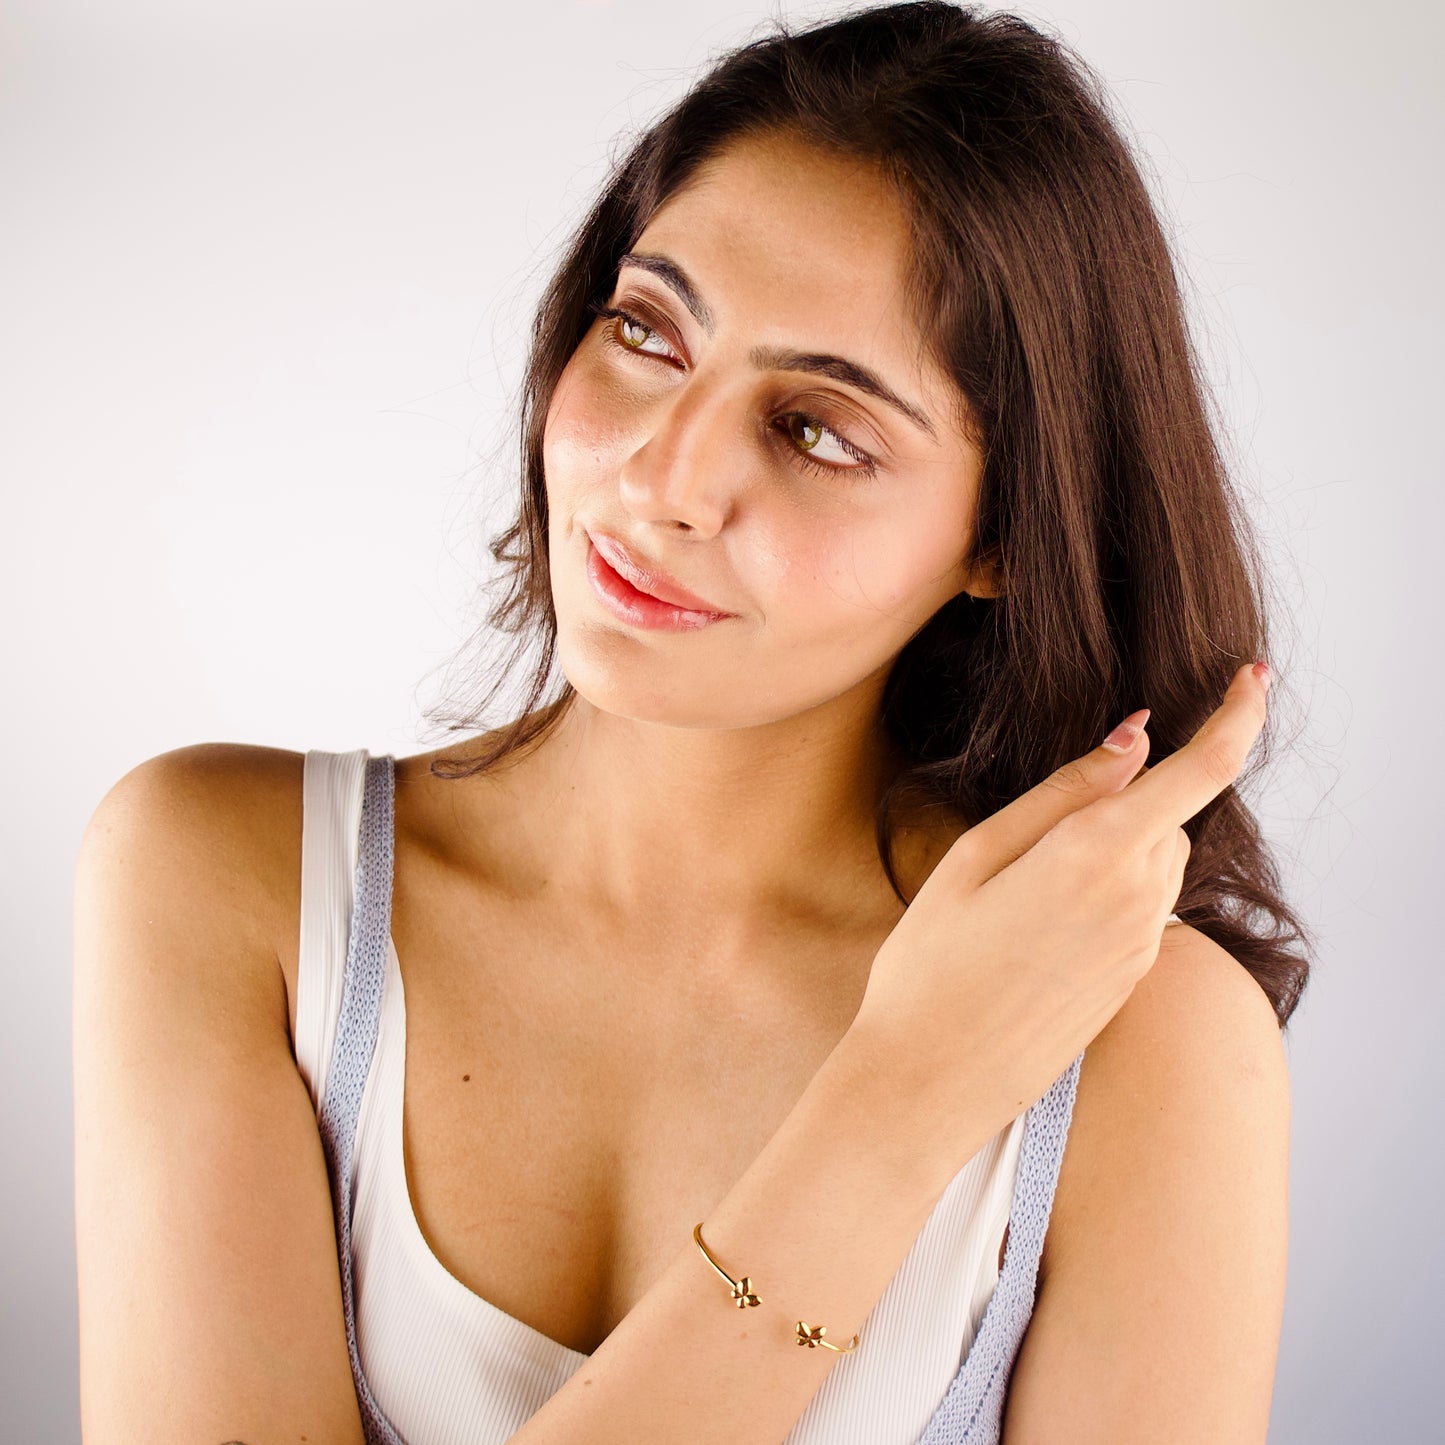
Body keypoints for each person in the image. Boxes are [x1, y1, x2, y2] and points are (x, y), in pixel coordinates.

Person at [71, 3, 1307, 1441]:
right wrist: (895, 1104)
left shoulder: (1144, 1046)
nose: (663, 474)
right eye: (648, 332)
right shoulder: (230, 883)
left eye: (817, 429)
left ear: (1007, 533)